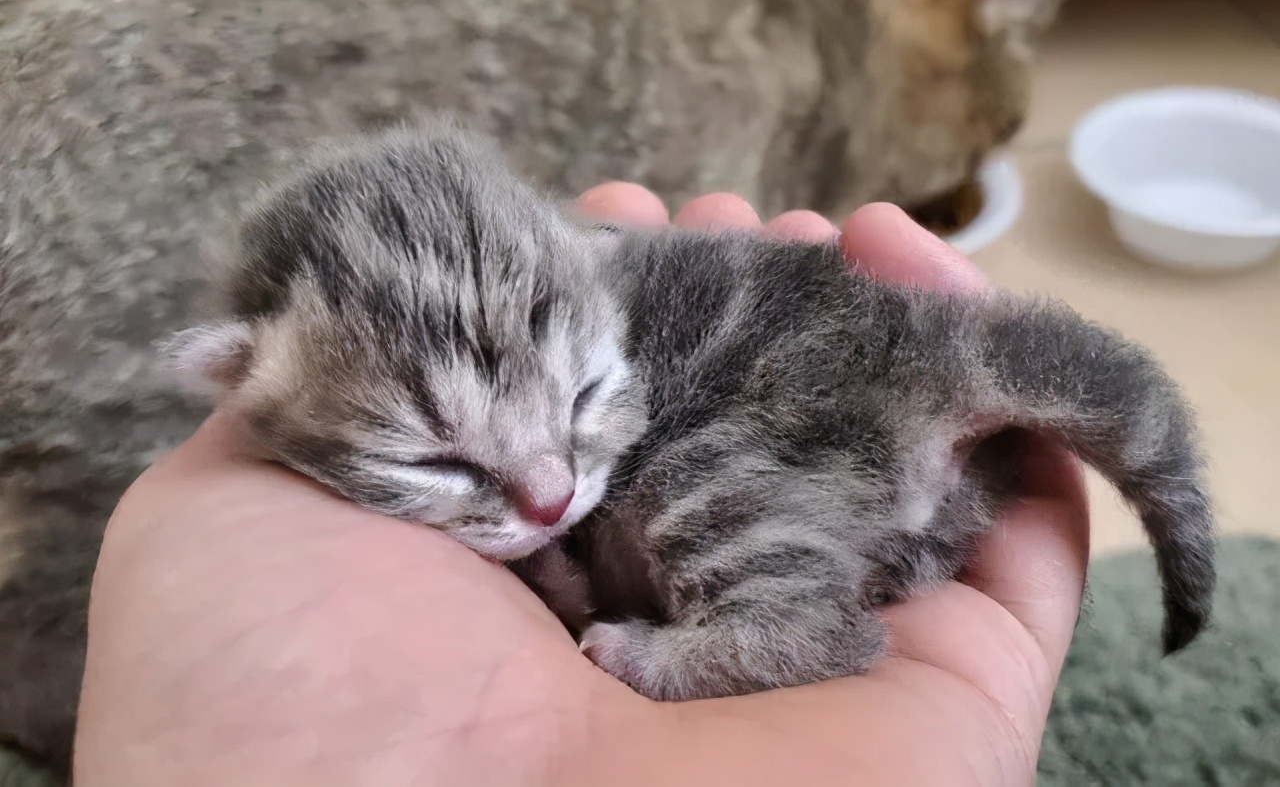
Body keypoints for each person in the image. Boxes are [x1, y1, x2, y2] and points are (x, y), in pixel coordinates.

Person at [75, 186, 1091, 786]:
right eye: (439, 460)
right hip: (869, 485)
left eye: (579, 402)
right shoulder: (283, 395)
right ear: (236, 383)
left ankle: (787, 614)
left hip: (844, 465)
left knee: (690, 462)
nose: (549, 497)